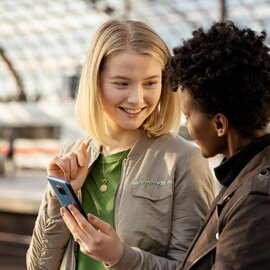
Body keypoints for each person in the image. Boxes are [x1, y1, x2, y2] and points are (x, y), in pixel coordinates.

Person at [26, 19, 215, 270]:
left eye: (150, 83)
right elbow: (38, 266)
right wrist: (57, 198)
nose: (137, 98)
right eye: (121, 83)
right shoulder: (70, 156)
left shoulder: (184, 160)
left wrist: (121, 256)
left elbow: (195, 267)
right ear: (95, 83)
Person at [167, 20, 270, 270]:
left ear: (220, 124)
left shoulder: (255, 201)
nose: (187, 125)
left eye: (188, 116)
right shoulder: (244, 179)